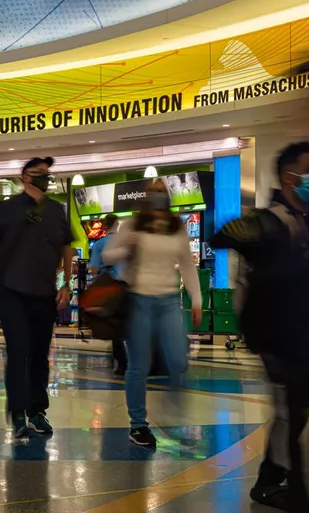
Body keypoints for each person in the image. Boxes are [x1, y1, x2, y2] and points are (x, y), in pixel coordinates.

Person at [212, 142, 309, 512]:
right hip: (276, 332)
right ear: (288, 175)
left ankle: (270, 476)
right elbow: (222, 237)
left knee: (301, 409)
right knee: (287, 408)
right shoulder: (270, 219)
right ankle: (293, 490)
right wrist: (257, 235)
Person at [0, 157, 74, 441]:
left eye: (47, 173)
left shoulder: (56, 211)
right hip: (10, 291)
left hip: (44, 292)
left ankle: (37, 410)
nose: (44, 177)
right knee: (18, 352)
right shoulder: (5, 209)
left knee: (40, 355)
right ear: (24, 177)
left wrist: (67, 283)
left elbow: (67, 247)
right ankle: (17, 413)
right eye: (38, 173)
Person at [102, 180, 202, 449]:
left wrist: (197, 298)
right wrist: (127, 248)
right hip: (138, 300)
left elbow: (187, 264)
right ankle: (138, 425)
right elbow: (108, 256)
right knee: (139, 365)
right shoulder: (133, 224)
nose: (158, 196)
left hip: (169, 300)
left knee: (177, 359)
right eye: (154, 191)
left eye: (162, 191)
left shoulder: (176, 226)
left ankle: (171, 416)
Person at [87, 214, 127, 376]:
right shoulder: (125, 242)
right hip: (127, 285)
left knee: (114, 326)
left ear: (104, 226)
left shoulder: (99, 244)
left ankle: (122, 362)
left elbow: (93, 268)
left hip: (109, 288)